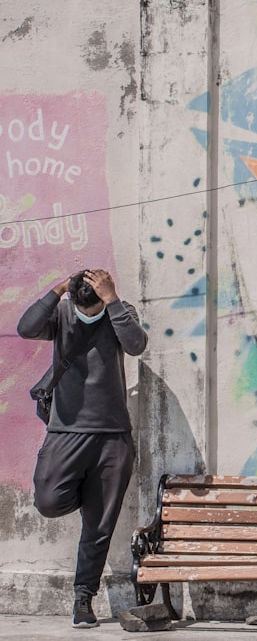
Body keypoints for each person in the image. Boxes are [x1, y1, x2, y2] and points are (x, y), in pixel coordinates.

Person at [17, 269, 148, 628]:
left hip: (113, 435)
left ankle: (83, 598)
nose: (88, 316)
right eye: (82, 310)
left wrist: (112, 300)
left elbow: (136, 345)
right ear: (71, 301)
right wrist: (56, 289)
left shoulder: (121, 311)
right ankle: (85, 495)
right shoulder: (60, 314)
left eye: (95, 310)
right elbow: (26, 328)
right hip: (66, 432)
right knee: (48, 501)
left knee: (99, 526)